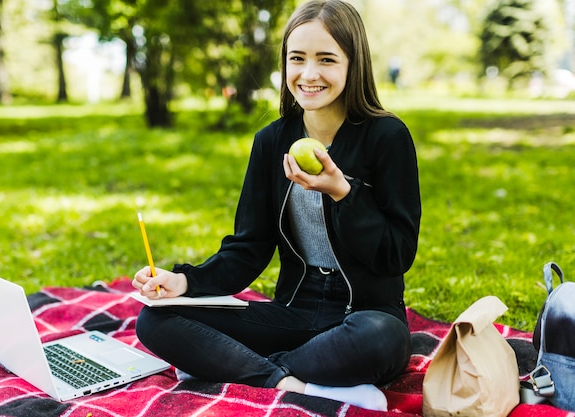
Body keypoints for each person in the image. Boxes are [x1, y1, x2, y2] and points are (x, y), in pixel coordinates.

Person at [132, 0, 421, 411]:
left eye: (326, 59)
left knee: (381, 339)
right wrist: (185, 283)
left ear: (352, 64)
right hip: (295, 314)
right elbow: (248, 248)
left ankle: (237, 366)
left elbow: (398, 254)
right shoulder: (271, 141)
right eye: (297, 58)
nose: (309, 74)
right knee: (155, 319)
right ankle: (295, 383)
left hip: (365, 317)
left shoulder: (387, 137)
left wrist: (344, 193)